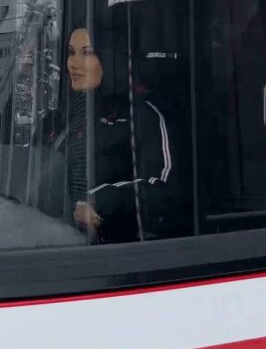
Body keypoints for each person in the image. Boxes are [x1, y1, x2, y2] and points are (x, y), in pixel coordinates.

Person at [51, 26, 175, 244]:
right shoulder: (63, 120)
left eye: (87, 52)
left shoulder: (141, 116)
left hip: (117, 252)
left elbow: (163, 186)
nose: (73, 63)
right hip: (59, 242)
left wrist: (99, 202)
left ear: (109, 60)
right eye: (70, 53)